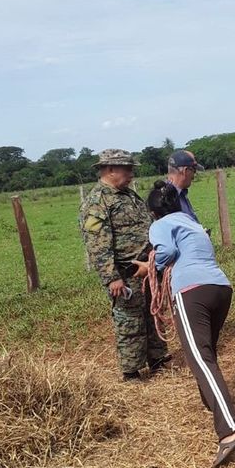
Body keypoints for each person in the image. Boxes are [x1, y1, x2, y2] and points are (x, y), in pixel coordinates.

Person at [133, 180, 235, 468]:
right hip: (221, 288)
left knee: (200, 358)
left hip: (191, 291)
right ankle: (212, 404)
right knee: (206, 353)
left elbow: (167, 253)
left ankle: (229, 430)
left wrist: (147, 268)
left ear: (153, 212)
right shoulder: (190, 221)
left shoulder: (160, 225)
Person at [80, 149, 170, 381]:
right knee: (129, 320)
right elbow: (98, 244)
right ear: (110, 170)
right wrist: (112, 278)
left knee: (153, 313)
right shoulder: (97, 202)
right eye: (127, 169)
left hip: (146, 267)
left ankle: (157, 357)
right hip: (125, 272)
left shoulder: (128, 195)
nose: (131, 174)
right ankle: (131, 370)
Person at [166, 150, 204, 222]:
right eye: (194, 171)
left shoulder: (181, 193)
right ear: (185, 171)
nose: (194, 176)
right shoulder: (165, 198)